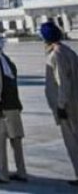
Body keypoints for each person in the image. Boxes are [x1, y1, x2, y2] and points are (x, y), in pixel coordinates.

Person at [0, 34, 27, 184]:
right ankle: (21, 172)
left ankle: (3, 174)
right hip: (13, 104)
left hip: (1, 107)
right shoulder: (7, 59)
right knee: (16, 140)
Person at [41, 21, 78, 187]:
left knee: (72, 142)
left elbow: (63, 82)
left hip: (68, 106)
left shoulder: (55, 55)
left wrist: (61, 106)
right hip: (74, 101)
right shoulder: (68, 51)